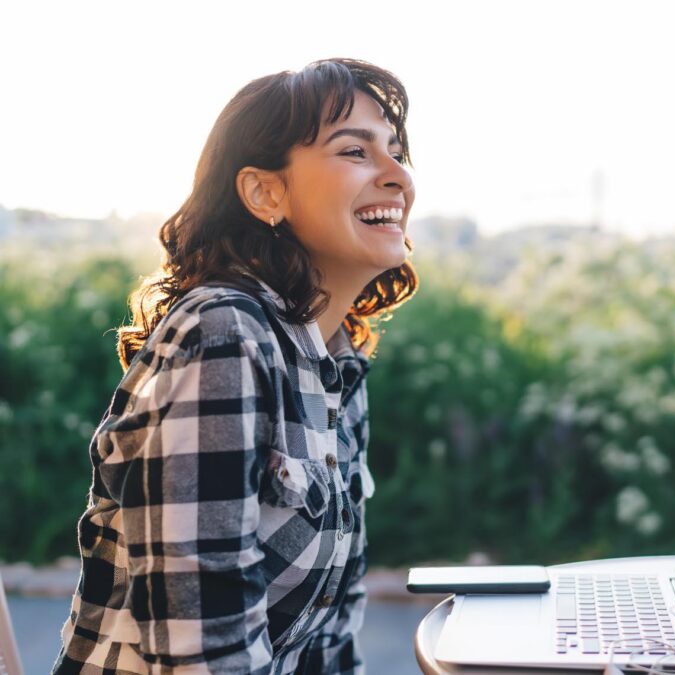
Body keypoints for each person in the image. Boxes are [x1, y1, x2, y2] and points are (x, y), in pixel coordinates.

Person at [52, 57, 418, 674]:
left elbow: (327, 640)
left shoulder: (337, 357)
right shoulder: (225, 334)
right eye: (356, 151)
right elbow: (203, 652)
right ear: (264, 193)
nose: (397, 177)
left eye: (397, 151)